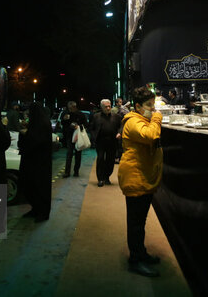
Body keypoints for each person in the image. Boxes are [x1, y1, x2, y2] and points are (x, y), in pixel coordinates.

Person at [118, 86, 164, 278]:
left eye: (153, 105)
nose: (152, 109)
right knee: (136, 222)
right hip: (135, 178)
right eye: (148, 105)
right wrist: (157, 117)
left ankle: (141, 253)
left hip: (143, 177)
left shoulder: (142, 119)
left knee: (140, 221)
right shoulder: (133, 121)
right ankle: (135, 259)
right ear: (137, 106)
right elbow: (151, 135)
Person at [18, 102, 52, 222]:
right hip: (32, 161)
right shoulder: (36, 122)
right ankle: (35, 209)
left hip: (40, 162)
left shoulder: (42, 123)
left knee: (40, 187)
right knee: (31, 187)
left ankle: (42, 212)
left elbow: (38, 141)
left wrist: (26, 133)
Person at [90, 99, 122, 187]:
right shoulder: (96, 116)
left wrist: (119, 133)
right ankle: (100, 179)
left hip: (112, 141)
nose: (108, 108)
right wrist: (93, 137)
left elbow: (121, 126)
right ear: (102, 107)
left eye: (109, 106)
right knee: (100, 159)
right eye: (106, 107)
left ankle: (107, 177)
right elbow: (92, 128)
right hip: (100, 141)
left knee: (110, 160)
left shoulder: (116, 116)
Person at [60, 101, 87, 178]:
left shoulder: (80, 114)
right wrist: (64, 119)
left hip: (78, 136)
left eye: (71, 108)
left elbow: (85, 124)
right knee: (69, 154)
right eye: (69, 108)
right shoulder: (65, 113)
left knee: (78, 154)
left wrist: (78, 126)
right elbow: (62, 124)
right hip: (69, 136)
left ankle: (76, 171)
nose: (70, 110)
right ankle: (67, 172)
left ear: (75, 107)